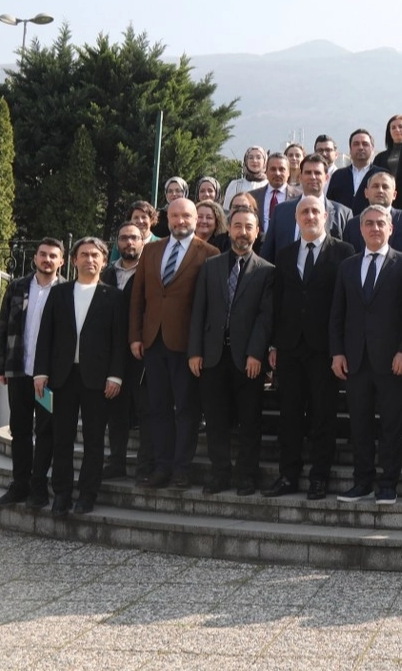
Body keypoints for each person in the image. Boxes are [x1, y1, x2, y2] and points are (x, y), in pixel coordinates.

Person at [267, 197, 356, 500]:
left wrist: (340, 347)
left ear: (326, 215)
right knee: (289, 414)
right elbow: (278, 302)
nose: (309, 216)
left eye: (315, 211)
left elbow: (345, 303)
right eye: (304, 211)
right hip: (290, 346)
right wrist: (274, 344)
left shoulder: (344, 252)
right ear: (296, 217)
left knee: (323, 415)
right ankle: (288, 475)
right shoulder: (285, 254)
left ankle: (319, 477)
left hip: (324, 348)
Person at [129, 198, 221, 490]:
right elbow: (138, 296)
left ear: (196, 219)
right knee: (158, 408)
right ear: (167, 219)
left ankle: (181, 470)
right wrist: (135, 336)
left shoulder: (209, 254)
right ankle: (162, 467)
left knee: (186, 410)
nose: (180, 221)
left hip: (187, 346)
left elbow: (211, 306)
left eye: (186, 216)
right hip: (153, 341)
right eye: (175, 216)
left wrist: (200, 348)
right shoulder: (151, 250)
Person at [31, 237, 125, 515]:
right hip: (62, 378)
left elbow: (119, 340)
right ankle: (61, 494)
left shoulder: (114, 296)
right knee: (62, 438)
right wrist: (40, 372)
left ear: (104, 261)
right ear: (74, 260)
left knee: (94, 441)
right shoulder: (59, 293)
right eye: (84, 254)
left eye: (95, 255)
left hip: (98, 380)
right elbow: (45, 335)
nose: (89, 259)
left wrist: (116, 376)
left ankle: (87, 495)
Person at [330, 205, 402, 504]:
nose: (375, 228)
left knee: (392, 425)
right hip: (356, 360)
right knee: (359, 425)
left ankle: (388, 484)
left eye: (381, 223)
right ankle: (362, 481)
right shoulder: (347, 266)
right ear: (360, 229)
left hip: (393, 361)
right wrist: (337, 352)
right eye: (369, 223)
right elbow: (337, 313)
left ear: (391, 228)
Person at [188, 207, 274, 495]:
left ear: (257, 232)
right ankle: (220, 473)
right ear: (229, 230)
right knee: (215, 420)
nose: (243, 232)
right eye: (237, 226)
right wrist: (195, 351)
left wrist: (256, 353)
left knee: (249, 421)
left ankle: (246, 475)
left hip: (247, 358)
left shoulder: (267, 270)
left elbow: (265, 317)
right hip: (212, 356)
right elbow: (199, 310)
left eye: (249, 227)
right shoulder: (210, 266)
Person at [0, 237, 64, 506]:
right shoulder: (17, 287)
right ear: (35, 258)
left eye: (53, 256)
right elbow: (2, 327)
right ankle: (19, 484)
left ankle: (38, 486)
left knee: (46, 431)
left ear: (61, 261)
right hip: (19, 372)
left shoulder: (66, 291)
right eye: (43, 254)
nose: (47, 259)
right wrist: (0, 363)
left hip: (48, 378)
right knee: (20, 429)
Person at [102, 222, 153, 480]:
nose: (129, 242)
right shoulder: (107, 273)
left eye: (134, 238)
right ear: (117, 243)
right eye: (123, 238)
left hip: (141, 351)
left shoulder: (151, 272)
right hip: (112, 352)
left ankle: (145, 466)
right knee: (116, 411)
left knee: (145, 410)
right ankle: (116, 463)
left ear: (143, 241)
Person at [261, 154, 352, 262]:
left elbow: (350, 259)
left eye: (317, 173)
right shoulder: (281, 211)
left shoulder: (343, 214)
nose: (313, 177)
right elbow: (267, 255)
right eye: (308, 172)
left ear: (326, 178)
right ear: (300, 177)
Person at [341, 170, 402, 256]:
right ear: (366, 193)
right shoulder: (353, 225)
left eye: (385, 187)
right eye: (375, 186)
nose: (380, 190)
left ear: (394, 195)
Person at [326, 128, 384, 215]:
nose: (360, 147)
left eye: (365, 144)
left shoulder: (381, 175)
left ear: (372, 149)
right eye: (356, 144)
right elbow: (330, 204)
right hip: (343, 222)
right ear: (350, 149)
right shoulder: (338, 175)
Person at [250, 152, 301, 247]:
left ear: (288, 172)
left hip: (287, 248)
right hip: (258, 248)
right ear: (266, 171)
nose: (277, 173)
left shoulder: (299, 198)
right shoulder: (252, 196)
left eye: (282, 169)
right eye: (273, 169)